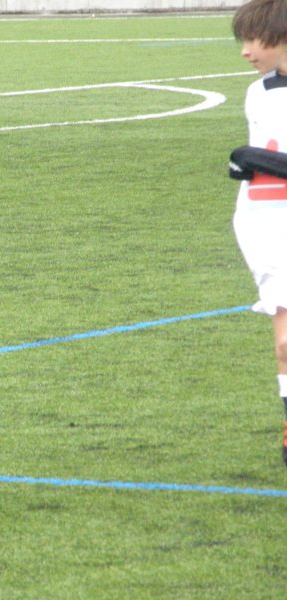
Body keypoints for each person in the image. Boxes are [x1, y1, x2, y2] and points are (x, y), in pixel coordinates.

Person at [230, 0, 287, 466]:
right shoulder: (257, 92)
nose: (246, 51)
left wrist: (260, 159)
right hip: (266, 230)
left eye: (254, 39)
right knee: (284, 346)